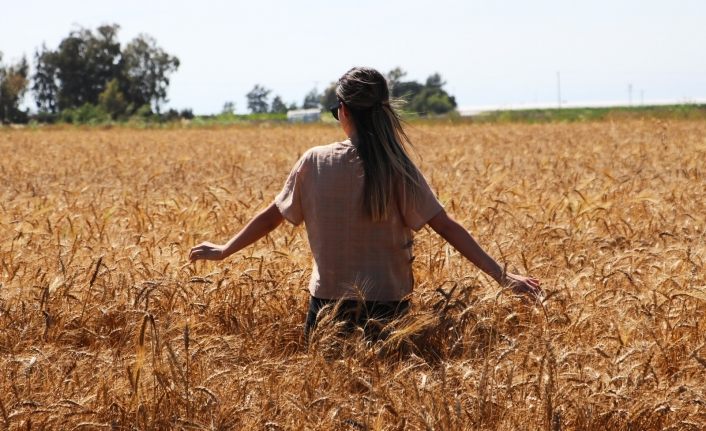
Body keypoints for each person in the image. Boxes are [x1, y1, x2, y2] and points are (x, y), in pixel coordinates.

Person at [189, 66, 542, 341]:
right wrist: (503, 276)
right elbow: (446, 226)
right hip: (389, 311)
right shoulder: (398, 166)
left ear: (343, 110)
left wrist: (224, 250)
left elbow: (272, 216)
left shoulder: (314, 161)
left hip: (327, 309)